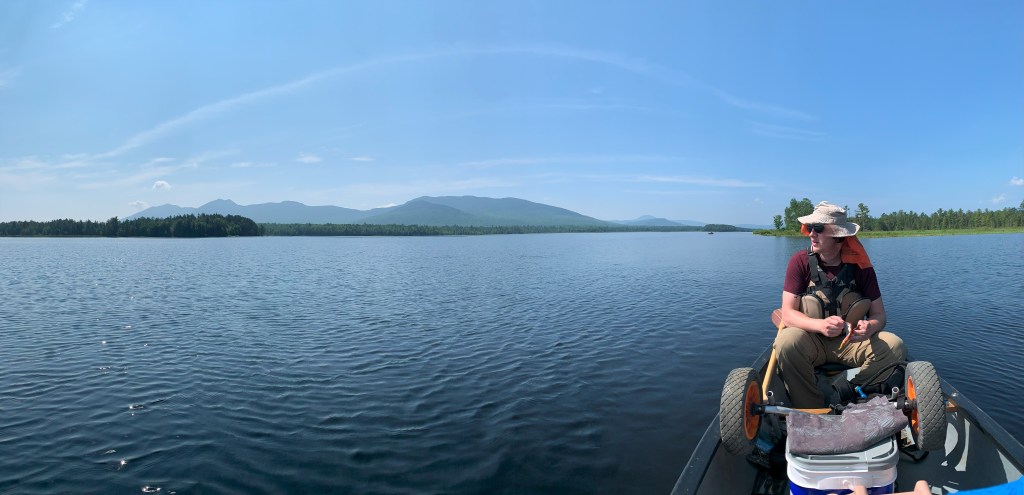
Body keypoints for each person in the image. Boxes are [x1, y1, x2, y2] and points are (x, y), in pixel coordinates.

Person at [776, 201, 907, 408]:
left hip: (850, 342)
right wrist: (820, 326)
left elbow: (880, 315)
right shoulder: (799, 262)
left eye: (818, 229)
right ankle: (811, 408)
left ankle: (851, 393)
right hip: (812, 342)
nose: (811, 234)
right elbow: (788, 314)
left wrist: (870, 327)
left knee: (894, 345)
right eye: (810, 228)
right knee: (786, 342)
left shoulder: (862, 268)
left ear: (838, 237)